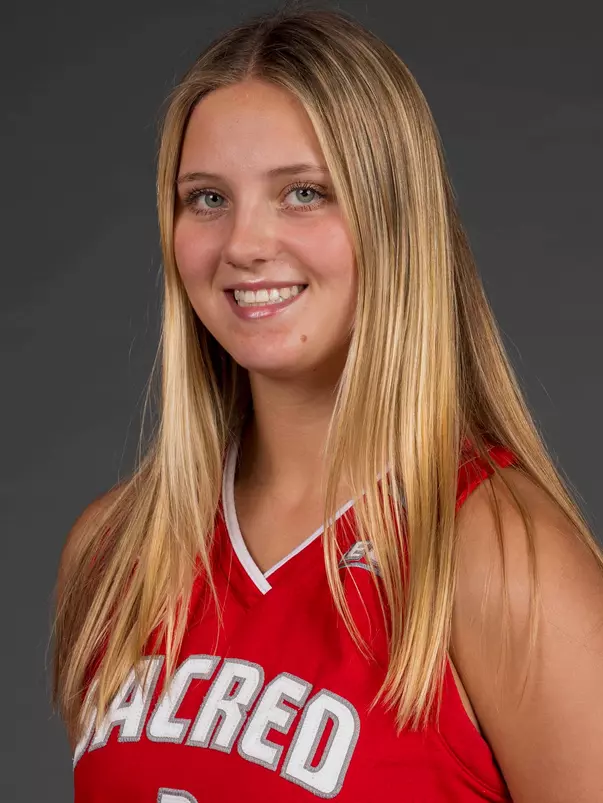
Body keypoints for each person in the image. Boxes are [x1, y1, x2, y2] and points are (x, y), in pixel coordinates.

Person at [51, 7, 603, 802]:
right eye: (206, 199)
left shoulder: (500, 557)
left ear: (393, 219)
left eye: (303, 192)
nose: (244, 243)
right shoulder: (112, 552)